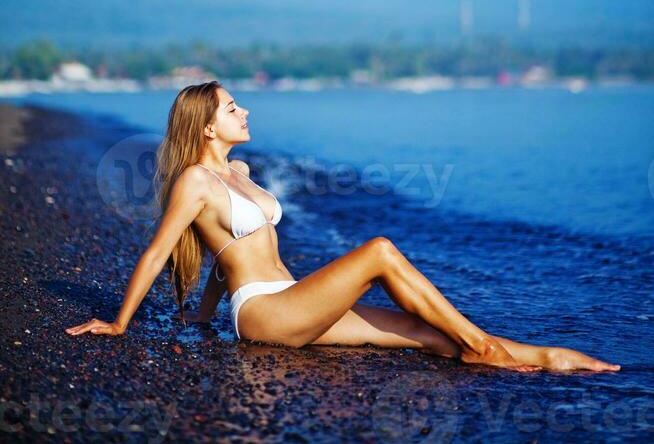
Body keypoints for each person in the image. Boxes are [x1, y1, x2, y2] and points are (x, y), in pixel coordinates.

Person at [66, 81, 620, 372]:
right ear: (207, 127)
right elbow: (159, 252)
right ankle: (486, 347)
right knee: (380, 251)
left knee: (429, 335)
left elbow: (221, 257)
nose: (246, 112)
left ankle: (561, 361)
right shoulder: (194, 182)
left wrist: (206, 319)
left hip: (289, 300)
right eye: (233, 108)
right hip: (265, 312)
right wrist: (119, 325)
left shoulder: (239, 172)